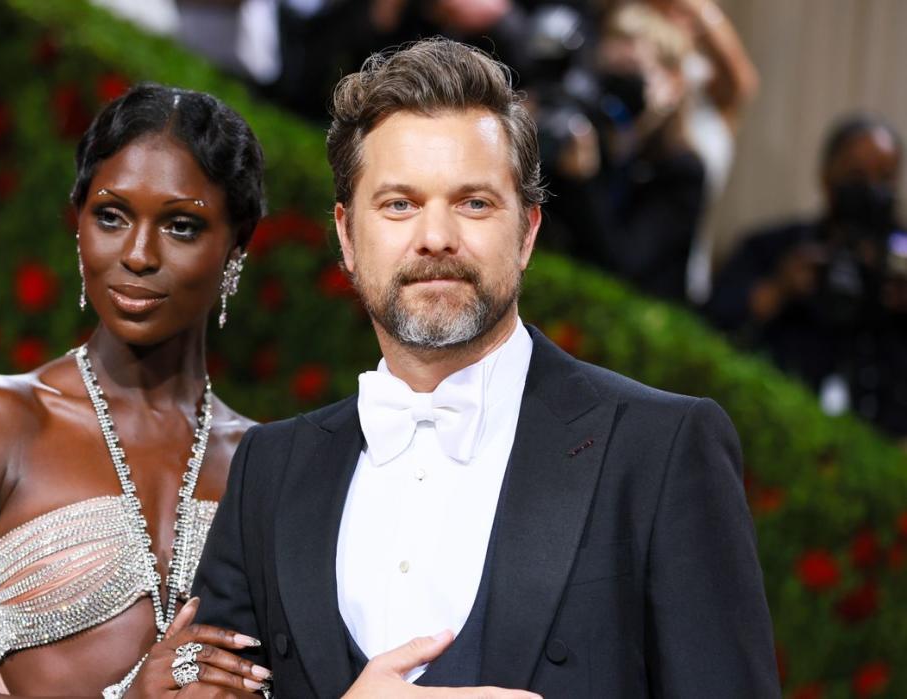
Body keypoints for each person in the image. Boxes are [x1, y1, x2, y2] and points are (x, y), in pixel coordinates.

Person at [188, 38, 780, 697]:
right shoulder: (268, 470)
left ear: (527, 232)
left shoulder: (660, 449)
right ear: (348, 237)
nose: (436, 235)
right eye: (399, 204)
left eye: (473, 202)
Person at [0, 84, 274, 697]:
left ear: (237, 243)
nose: (138, 254)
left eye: (181, 226)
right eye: (110, 216)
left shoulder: (263, 462)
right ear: (78, 222)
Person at [707, 115, 907, 438]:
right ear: (827, 175)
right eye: (856, 175)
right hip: (779, 438)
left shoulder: (901, 263)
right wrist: (776, 291)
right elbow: (708, 326)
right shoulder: (773, 248)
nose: (870, 190)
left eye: (884, 177)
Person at [544, 2, 707, 302]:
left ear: (673, 84)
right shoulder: (588, 140)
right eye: (609, 75)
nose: (616, 92)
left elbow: (624, 264)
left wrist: (585, 183)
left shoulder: (681, 170)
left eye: (632, 75)